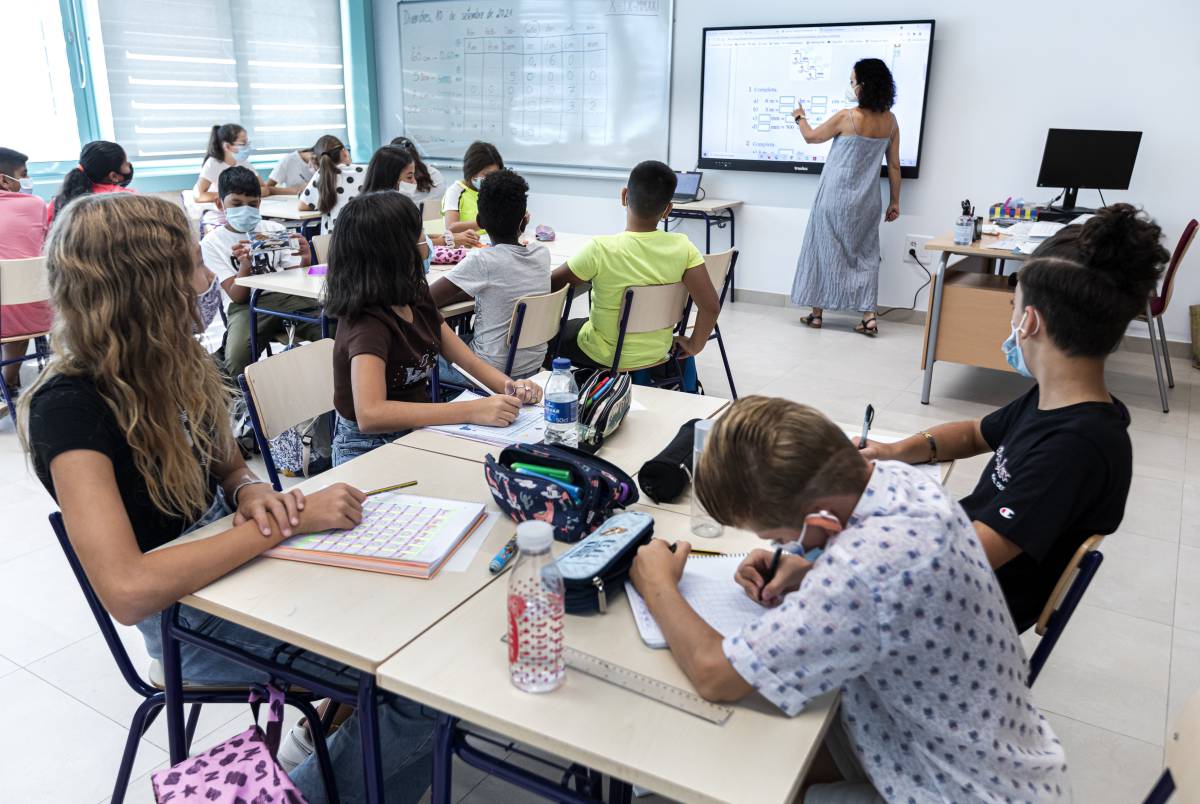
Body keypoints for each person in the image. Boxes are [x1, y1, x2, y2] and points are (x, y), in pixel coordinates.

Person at [17, 192, 436, 802]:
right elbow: (129, 590)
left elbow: (231, 466)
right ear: (144, 288)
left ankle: (316, 760)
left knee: (408, 622)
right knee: (417, 687)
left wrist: (247, 491)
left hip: (237, 570)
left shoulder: (175, 361)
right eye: (192, 266)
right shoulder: (71, 407)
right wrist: (281, 525)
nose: (208, 278)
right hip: (184, 620)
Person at [630, 396, 1070, 802]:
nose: (783, 547)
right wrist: (808, 562)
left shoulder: (860, 577)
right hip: (996, 756)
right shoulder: (895, 479)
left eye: (779, 537)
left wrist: (657, 584)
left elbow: (715, 675)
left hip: (953, 791)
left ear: (822, 520)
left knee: (734, 769)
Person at [860, 204, 1168, 632]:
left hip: (963, 611)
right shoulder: (1057, 398)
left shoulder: (1075, 449)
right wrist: (895, 451)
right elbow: (971, 434)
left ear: (1029, 322)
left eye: (1012, 304)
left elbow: (963, 557)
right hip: (958, 562)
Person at [323, 191, 541, 465]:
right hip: (367, 449)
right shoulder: (367, 322)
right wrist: (471, 410)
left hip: (416, 431)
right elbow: (371, 414)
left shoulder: (415, 295)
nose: (428, 241)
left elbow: (468, 362)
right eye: (420, 233)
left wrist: (510, 387)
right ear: (396, 251)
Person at [548, 160, 721, 373]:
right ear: (668, 210)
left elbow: (552, 286)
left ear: (624, 196)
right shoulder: (684, 248)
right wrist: (695, 345)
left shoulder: (601, 249)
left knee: (551, 333)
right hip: (659, 351)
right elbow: (711, 305)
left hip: (606, 355)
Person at [789, 58, 901, 336]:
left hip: (834, 197)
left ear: (864, 86)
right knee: (866, 256)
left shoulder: (847, 117)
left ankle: (817, 315)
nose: (850, 87)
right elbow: (895, 166)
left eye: (852, 82)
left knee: (822, 250)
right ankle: (868, 317)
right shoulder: (890, 121)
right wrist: (895, 202)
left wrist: (799, 117)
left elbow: (811, 137)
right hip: (867, 201)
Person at [200, 166, 320, 379]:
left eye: (252, 204)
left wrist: (305, 259)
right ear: (220, 204)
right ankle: (249, 402)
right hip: (246, 306)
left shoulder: (274, 229)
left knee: (334, 327)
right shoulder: (212, 243)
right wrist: (245, 266)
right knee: (237, 361)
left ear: (259, 204)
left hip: (288, 297)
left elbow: (294, 277)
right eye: (236, 204)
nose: (245, 209)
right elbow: (238, 296)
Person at [430, 169, 551, 380]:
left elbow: (426, 298)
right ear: (525, 220)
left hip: (488, 371)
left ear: (480, 222)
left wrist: (464, 290)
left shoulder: (482, 262)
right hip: (532, 365)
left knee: (425, 353)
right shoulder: (542, 254)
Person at [0, 147, 50, 395]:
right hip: (40, 312)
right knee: (18, 304)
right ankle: (8, 382)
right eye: (23, 174)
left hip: (9, 313)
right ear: (3, 179)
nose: (26, 180)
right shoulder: (36, 204)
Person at [47, 140, 134, 223]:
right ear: (113, 176)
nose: (129, 165)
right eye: (126, 163)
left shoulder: (59, 201)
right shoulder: (128, 198)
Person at [299, 134, 364, 234]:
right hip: (367, 237)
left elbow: (303, 206)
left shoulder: (321, 175)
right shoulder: (365, 171)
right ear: (344, 152)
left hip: (335, 242)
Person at [441, 140, 503, 245]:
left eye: (495, 175)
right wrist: (484, 223)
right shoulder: (455, 191)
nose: (492, 179)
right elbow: (451, 228)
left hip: (491, 244)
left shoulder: (495, 189)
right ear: (472, 171)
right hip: (465, 247)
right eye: (486, 175)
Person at [194, 123, 257, 204]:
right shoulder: (213, 164)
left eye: (247, 143)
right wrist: (234, 196)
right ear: (227, 146)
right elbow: (199, 196)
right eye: (243, 144)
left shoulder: (243, 162)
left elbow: (264, 189)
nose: (247, 147)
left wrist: (240, 196)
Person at [390, 135, 445, 208]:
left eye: (410, 177)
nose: (414, 182)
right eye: (409, 177)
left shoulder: (402, 182)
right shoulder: (435, 173)